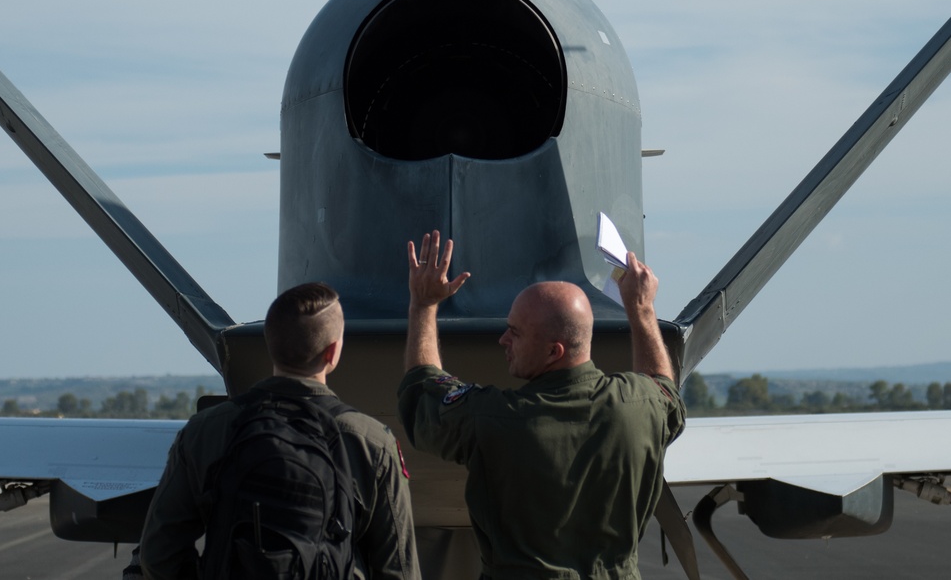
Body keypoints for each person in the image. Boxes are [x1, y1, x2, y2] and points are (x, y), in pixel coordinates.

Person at [397, 230, 685, 579]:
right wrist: (641, 309)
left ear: (554, 351)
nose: (503, 340)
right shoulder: (641, 406)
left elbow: (421, 393)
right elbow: (664, 388)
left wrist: (423, 306)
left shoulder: (494, 419)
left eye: (515, 332)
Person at [139, 282, 421, 580]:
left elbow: (159, 554)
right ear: (333, 350)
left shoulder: (207, 430)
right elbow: (399, 572)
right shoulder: (371, 441)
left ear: (269, 342)